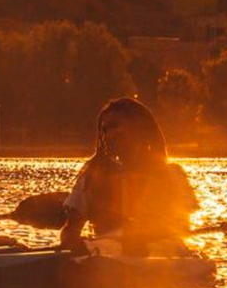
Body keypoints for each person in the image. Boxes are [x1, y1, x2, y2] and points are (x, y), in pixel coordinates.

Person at [58, 97, 199, 257]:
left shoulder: (170, 174)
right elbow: (71, 227)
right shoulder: (93, 175)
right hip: (107, 256)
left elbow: (182, 225)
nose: (109, 135)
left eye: (115, 126)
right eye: (105, 130)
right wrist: (70, 240)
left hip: (164, 255)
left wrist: (143, 234)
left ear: (138, 128)